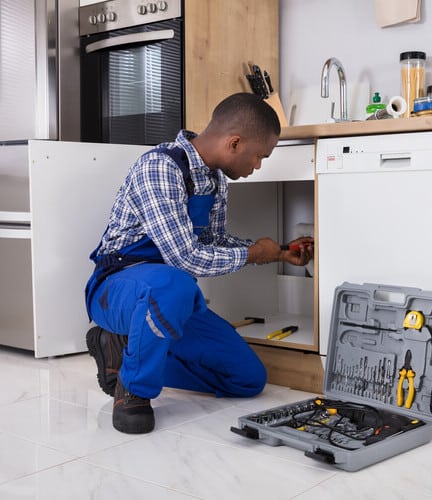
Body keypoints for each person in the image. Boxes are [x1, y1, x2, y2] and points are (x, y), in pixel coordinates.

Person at [85, 92, 314, 434]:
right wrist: (254, 254)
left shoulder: (214, 179)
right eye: (258, 157)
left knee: (247, 378)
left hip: (169, 300)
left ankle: (122, 355)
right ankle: (132, 392)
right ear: (234, 143)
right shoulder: (160, 167)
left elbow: (212, 243)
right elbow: (185, 256)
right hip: (118, 288)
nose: (258, 166)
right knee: (176, 283)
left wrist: (278, 251)